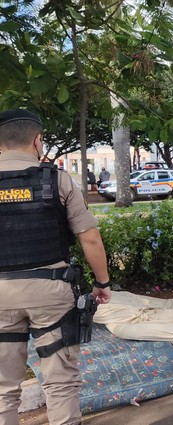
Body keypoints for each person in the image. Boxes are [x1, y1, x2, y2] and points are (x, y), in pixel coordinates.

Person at [0, 109, 112, 425]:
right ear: (37, 140)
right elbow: (89, 238)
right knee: (60, 384)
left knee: (3, 388)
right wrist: (102, 283)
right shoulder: (57, 179)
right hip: (50, 292)